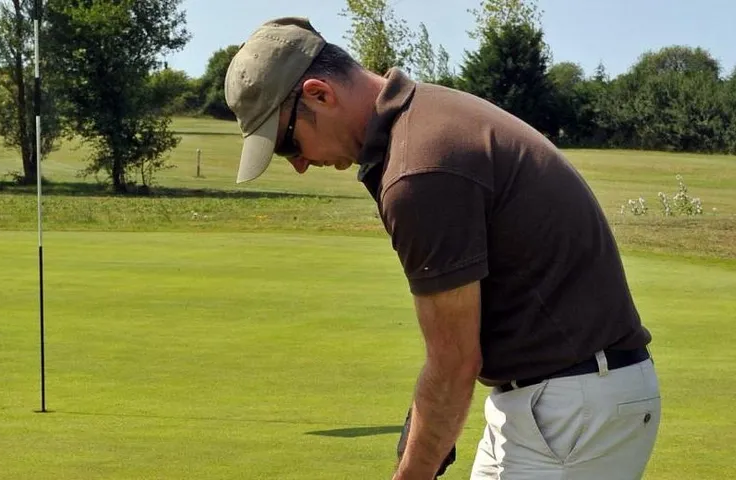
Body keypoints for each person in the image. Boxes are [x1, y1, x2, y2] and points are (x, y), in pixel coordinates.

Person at [224, 17, 661, 480]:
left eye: (287, 143)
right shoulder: (424, 116)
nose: (298, 165)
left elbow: (455, 362)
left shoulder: (418, 171)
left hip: (571, 409)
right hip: (554, 399)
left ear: (319, 94)